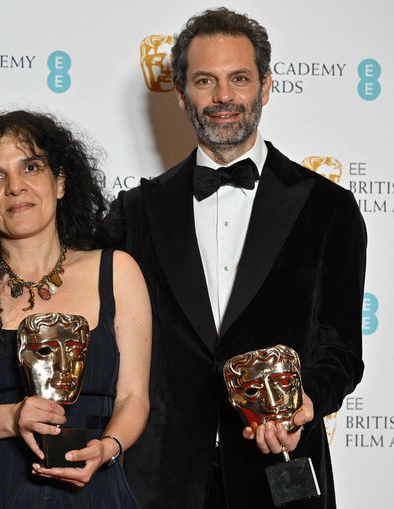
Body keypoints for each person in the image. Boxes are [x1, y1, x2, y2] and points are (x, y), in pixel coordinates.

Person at [103, 8, 366, 509]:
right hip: (160, 476)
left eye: (239, 78)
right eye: (206, 80)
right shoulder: (135, 212)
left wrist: (303, 403)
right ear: (181, 95)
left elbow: (340, 348)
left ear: (265, 86)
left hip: (283, 466)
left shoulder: (329, 208)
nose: (224, 96)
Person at [0, 110, 151, 508]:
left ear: (59, 181)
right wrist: (10, 417)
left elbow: (133, 398)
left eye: (31, 167)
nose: (14, 187)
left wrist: (109, 446)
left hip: (91, 491)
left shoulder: (117, 271)